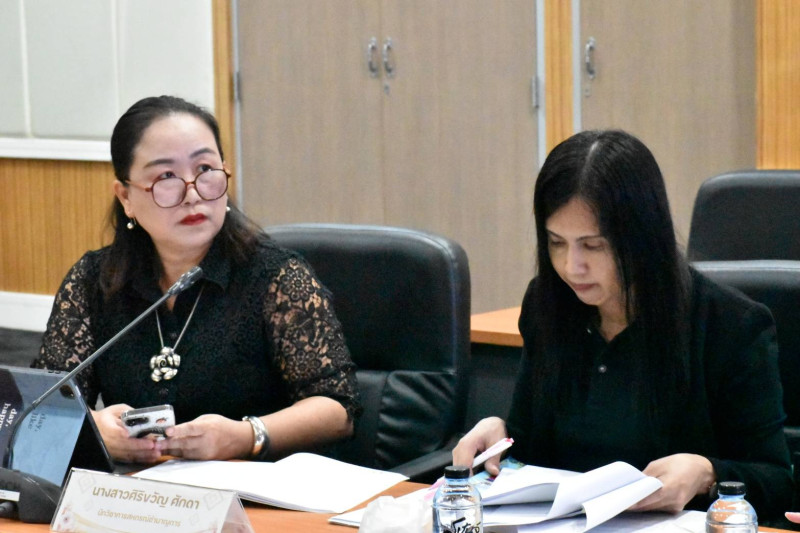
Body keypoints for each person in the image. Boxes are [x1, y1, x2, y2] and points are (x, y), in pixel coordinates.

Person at [453, 130, 792, 520]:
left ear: (642, 238)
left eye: (593, 245)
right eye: (556, 242)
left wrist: (707, 473)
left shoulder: (730, 326)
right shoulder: (547, 305)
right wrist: (501, 435)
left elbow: (777, 483)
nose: (571, 266)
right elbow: (532, 447)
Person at [32, 95, 360, 464]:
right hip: (138, 488)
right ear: (125, 196)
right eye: (166, 176)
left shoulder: (277, 277)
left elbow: (337, 408)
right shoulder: (94, 281)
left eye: (205, 169)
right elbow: (41, 404)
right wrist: (93, 428)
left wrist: (245, 436)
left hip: (252, 488)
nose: (192, 193)